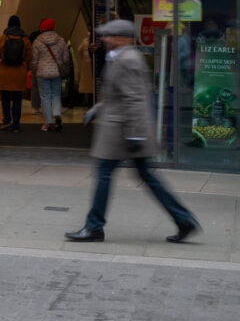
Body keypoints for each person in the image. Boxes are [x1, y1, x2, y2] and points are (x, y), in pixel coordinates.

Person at [66, 19, 200, 243]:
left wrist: (135, 134)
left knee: (105, 174)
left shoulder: (128, 60)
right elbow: (116, 96)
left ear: (121, 38)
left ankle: (94, 227)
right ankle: (184, 220)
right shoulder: (119, 57)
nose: (104, 38)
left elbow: (134, 99)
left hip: (123, 131)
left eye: (109, 35)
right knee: (146, 176)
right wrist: (96, 110)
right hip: (124, 128)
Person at [31, 18, 71, 132]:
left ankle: (48, 123)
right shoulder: (61, 40)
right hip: (56, 73)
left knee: (45, 97)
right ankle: (57, 115)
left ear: (42, 28)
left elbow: (34, 60)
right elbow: (66, 58)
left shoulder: (37, 41)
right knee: (56, 95)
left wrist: (35, 69)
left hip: (42, 73)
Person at [0, 15, 31, 132]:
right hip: (19, 72)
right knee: (17, 99)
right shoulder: (25, 39)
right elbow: (29, 56)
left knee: (5, 99)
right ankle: (16, 125)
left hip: (4, 72)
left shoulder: (3, 37)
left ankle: (6, 121)